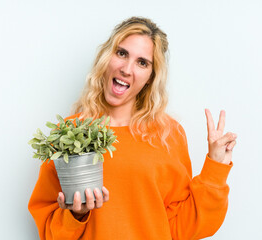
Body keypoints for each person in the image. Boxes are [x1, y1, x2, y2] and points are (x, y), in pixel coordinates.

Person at [28, 16, 237, 240]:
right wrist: (77, 214)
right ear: (106, 57)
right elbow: (50, 233)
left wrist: (215, 168)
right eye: (122, 53)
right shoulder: (69, 134)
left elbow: (181, 228)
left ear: (150, 77)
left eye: (142, 62)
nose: (127, 69)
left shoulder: (168, 135)